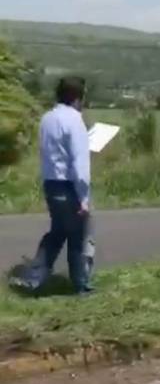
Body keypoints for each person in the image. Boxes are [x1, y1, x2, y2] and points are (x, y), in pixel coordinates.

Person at [30, 76, 94, 294]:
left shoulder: (47, 118)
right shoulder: (75, 121)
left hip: (51, 183)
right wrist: (84, 198)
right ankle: (81, 286)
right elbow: (79, 163)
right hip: (69, 186)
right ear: (78, 97)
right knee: (77, 236)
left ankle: (35, 277)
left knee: (58, 232)